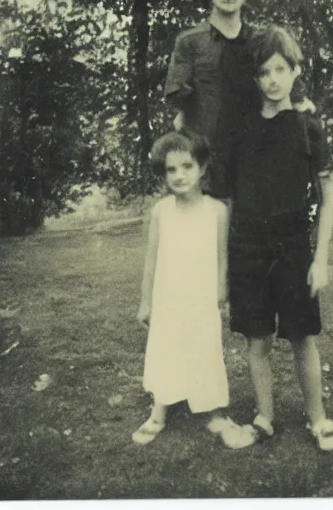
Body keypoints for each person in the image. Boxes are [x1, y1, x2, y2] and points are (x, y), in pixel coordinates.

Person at [225, 25, 333, 451]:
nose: (272, 79)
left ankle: (318, 418)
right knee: (258, 339)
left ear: (295, 72)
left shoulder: (309, 128)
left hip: (295, 247)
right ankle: (265, 417)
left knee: (302, 337)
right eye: (264, 72)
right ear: (255, 78)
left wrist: (321, 259)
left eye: (280, 69)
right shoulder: (241, 130)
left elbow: (328, 198)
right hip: (248, 248)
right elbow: (230, 199)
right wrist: (226, 261)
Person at [132, 130, 248, 448]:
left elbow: (222, 257)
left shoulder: (217, 211)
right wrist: (146, 302)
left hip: (202, 296)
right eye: (171, 169)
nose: (180, 176)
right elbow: (151, 262)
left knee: (205, 347)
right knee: (166, 347)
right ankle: (159, 411)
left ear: (202, 167)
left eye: (187, 166)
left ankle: (212, 411)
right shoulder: (162, 211)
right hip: (168, 296)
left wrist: (221, 292)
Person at [164, 0, 308, 198]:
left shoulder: (262, 40)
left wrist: (300, 102)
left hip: (255, 155)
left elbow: (287, 79)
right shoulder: (190, 42)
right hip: (208, 161)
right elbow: (178, 99)